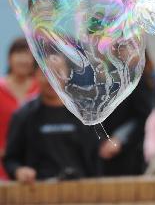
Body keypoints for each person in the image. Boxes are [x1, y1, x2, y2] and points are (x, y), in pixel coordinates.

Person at [2, 54, 98, 183]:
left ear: (68, 75)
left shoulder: (84, 114)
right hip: (37, 193)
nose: (52, 80)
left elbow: (96, 158)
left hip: (81, 192)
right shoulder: (23, 115)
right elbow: (10, 159)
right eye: (46, 74)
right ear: (35, 75)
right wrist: (18, 171)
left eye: (58, 72)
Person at [0, 38, 39, 180]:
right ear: (9, 59)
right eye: (19, 54)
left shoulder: (43, 89)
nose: (23, 60)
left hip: (35, 168)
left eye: (28, 55)